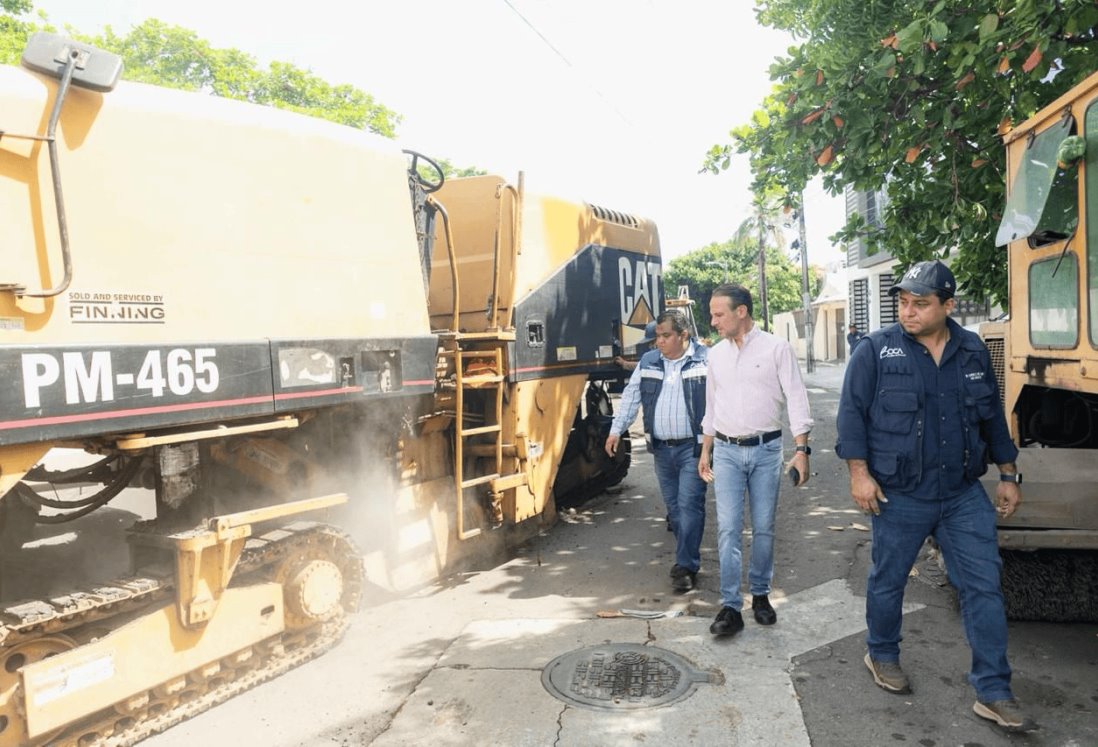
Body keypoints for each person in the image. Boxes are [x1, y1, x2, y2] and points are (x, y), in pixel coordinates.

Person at [835, 260, 1036, 732]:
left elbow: (990, 417)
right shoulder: (875, 350)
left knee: (984, 586)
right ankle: (881, 653)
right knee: (888, 580)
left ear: (948, 305)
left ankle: (993, 690)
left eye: (920, 303)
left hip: (962, 494)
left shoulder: (971, 351)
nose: (908, 311)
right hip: (901, 493)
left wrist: (1008, 474)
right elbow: (851, 416)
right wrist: (858, 474)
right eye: (903, 302)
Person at [699, 283, 812, 636]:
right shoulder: (714, 355)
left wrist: (802, 450)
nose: (713, 321)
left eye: (719, 314)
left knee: (763, 527)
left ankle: (761, 594)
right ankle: (731, 606)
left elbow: (796, 397)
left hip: (766, 451)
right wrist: (706, 450)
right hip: (727, 452)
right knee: (728, 528)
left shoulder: (777, 349)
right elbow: (711, 408)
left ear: (741, 312)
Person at [606, 311, 708, 592]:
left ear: (683, 335)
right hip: (662, 450)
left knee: (689, 507)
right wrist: (616, 430)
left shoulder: (706, 360)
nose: (658, 342)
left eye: (665, 336)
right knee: (675, 511)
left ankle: (686, 565)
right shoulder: (649, 362)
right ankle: (686, 556)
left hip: (694, 449)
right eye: (657, 337)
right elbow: (631, 396)